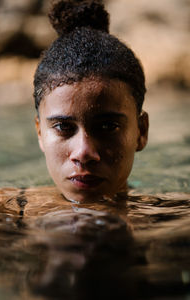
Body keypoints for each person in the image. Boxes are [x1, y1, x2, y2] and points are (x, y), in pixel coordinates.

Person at [34, 0, 149, 203]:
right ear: (40, 133)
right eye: (63, 127)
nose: (84, 153)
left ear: (141, 132)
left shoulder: (177, 219)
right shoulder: (3, 212)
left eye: (107, 126)